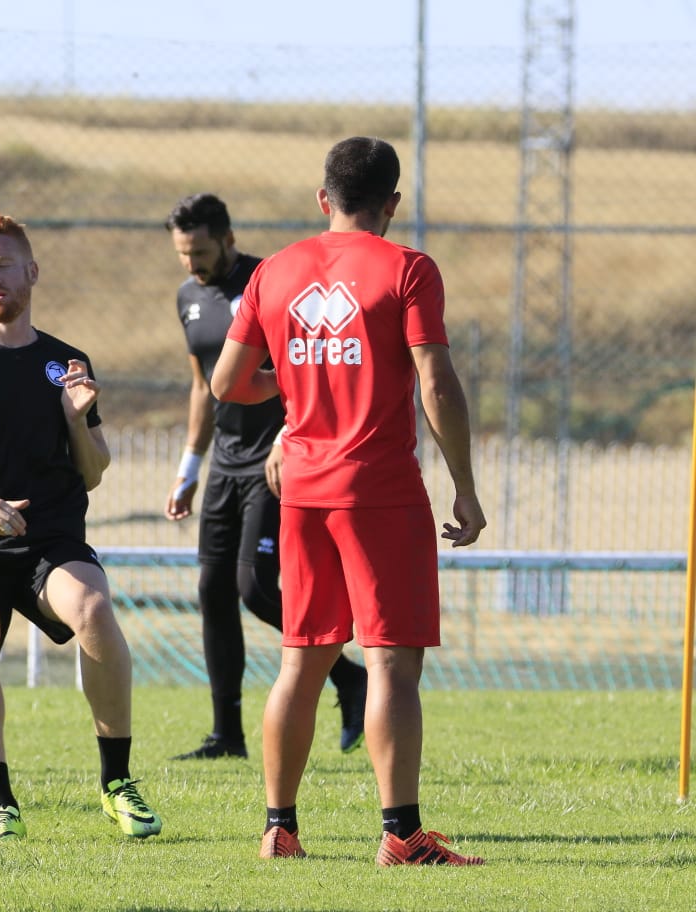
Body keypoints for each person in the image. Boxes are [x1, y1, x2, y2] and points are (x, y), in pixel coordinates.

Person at [211, 136, 486, 865]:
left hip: (300, 487)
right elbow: (437, 383)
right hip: (378, 489)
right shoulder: (408, 269)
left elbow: (228, 385)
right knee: (393, 662)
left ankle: (279, 828)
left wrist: (291, 392)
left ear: (322, 196)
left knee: (302, 658)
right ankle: (400, 835)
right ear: (392, 204)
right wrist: (464, 484)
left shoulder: (275, 271)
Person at [0, 212, 161, 842]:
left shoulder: (65, 362)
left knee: (96, 611)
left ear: (32, 271)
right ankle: (1, 805)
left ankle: (117, 784)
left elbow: (96, 471)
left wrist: (78, 419)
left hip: (50, 534)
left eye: (2, 264)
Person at [163, 193, 368, 760]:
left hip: (278, 459)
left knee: (254, 585)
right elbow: (204, 384)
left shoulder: (271, 282)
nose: (191, 264)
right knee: (212, 589)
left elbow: (308, 365)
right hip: (225, 462)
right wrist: (190, 467)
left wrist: (285, 434)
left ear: (228, 238)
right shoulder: (188, 297)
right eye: (182, 253)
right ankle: (226, 734)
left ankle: (348, 676)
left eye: (200, 251)